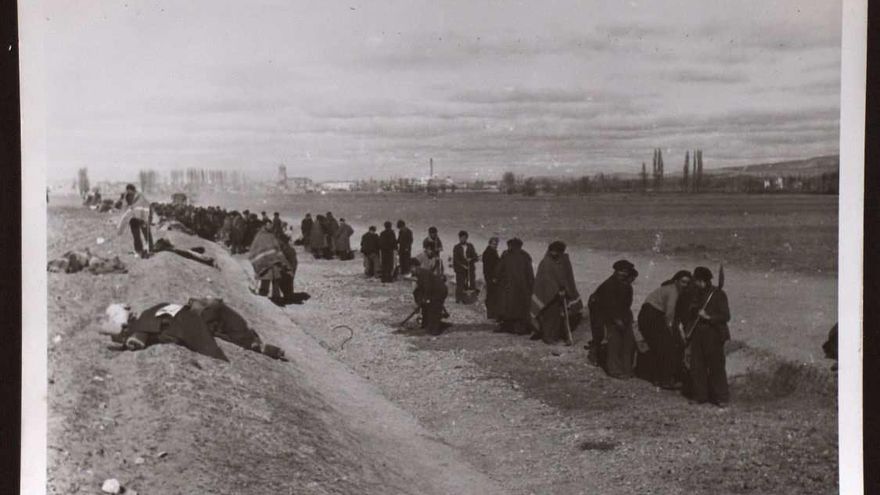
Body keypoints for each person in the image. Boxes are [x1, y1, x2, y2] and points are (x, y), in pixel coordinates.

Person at [684, 266, 731, 407]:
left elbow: (725, 316)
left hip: (714, 334)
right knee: (697, 366)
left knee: (716, 366)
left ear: (702, 280)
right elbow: (691, 310)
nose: (694, 283)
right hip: (698, 334)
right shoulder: (696, 293)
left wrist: (708, 317)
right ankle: (700, 396)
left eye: (696, 280)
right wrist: (694, 309)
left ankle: (722, 398)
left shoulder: (719, 295)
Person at [637, 270, 692, 389]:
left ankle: (658, 378)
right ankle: (665, 380)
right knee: (666, 347)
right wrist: (672, 331)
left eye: (688, 283)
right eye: (683, 282)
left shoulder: (671, 289)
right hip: (651, 316)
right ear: (676, 281)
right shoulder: (673, 291)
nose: (685, 285)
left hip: (650, 315)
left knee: (661, 347)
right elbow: (669, 313)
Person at [588, 260, 637, 378]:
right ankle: (614, 370)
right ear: (616, 271)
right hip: (603, 313)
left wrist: (626, 319)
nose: (623, 274)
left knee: (627, 341)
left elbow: (626, 305)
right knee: (613, 341)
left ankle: (626, 368)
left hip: (619, 314)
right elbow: (608, 305)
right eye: (621, 271)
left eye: (626, 272)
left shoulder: (626, 285)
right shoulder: (609, 285)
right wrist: (616, 320)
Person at [530, 241, 582, 344]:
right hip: (548, 295)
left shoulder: (563, 261)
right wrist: (556, 290)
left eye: (557, 251)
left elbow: (567, 277)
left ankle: (557, 335)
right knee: (550, 316)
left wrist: (565, 289)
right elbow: (545, 279)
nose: (554, 253)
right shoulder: (546, 263)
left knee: (559, 317)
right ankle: (548, 337)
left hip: (561, 294)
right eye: (552, 251)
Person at [494, 238, 534, 334]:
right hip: (523, 288)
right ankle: (520, 328)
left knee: (507, 307)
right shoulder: (525, 256)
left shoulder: (506, 255)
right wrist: (531, 285)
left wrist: (496, 279)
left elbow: (498, 270)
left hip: (508, 287)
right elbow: (530, 273)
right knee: (521, 308)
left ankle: (507, 326)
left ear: (511, 245)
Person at [249, 223, 294, 305]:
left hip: (274, 262)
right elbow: (255, 248)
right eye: (268, 225)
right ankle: (264, 294)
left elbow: (277, 249)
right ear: (265, 225)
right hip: (266, 261)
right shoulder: (260, 236)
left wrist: (282, 260)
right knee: (266, 278)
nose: (270, 226)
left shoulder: (271, 236)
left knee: (275, 279)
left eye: (271, 225)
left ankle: (276, 297)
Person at [410, 257, 450, 335]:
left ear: (414, 267)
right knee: (427, 307)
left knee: (434, 309)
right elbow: (421, 289)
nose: (411, 271)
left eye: (411, 268)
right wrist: (420, 301)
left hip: (439, 291)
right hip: (434, 291)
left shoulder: (423, 274)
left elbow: (427, 287)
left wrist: (425, 299)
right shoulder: (419, 274)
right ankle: (426, 325)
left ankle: (434, 330)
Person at [117, 184, 153, 258]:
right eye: (128, 191)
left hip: (142, 218)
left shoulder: (140, 197)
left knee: (146, 234)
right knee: (136, 236)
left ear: (134, 190)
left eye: (130, 191)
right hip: (133, 219)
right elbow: (118, 206)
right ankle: (139, 250)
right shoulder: (125, 197)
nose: (129, 193)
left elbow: (148, 207)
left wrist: (149, 219)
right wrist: (121, 198)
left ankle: (150, 249)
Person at [452, 231, 480, 303]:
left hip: (470, 268)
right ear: (459, 238)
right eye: (461, 238)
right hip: (460, 269)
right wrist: (462, 265)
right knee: (460, 284)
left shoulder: (470, 246)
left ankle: (471, 299)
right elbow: (456, 259)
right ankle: (458, 299)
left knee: (472, 283)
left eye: (464, 238)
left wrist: (471, 259)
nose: (463, 239)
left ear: (466, 238)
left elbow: (475, 256)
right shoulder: (456, 247)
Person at [481, 237, 501, 320]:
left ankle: (491, 313)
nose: (495, 245)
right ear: (489, 243)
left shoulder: (491, 251)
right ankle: (491, 314)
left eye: (496, 244)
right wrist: (493, 277)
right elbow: (488, 268)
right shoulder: (489, 252)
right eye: (494, 244)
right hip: (491, 277)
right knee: (492, 295)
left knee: (492, 295)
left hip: (490, 277)